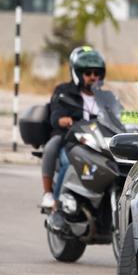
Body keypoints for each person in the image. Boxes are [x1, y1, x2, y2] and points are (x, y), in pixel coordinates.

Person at [44, 47, 107, 225]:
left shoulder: (107, 96)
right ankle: (55, 205)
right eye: (88, 73)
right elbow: (55, 113)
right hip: (72, 140)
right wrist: (63, 120)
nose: (93, 76)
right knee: (70, 162)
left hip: (99, 143)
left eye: (97, 73)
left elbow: (120, 113)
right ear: (78, 73)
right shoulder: (64, 91)